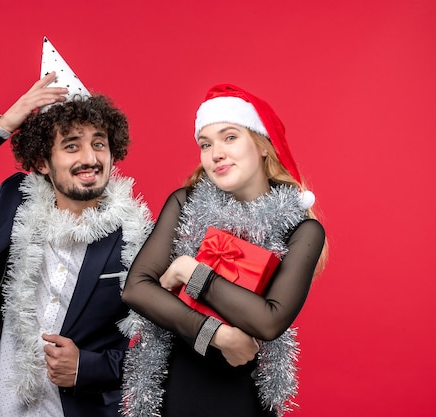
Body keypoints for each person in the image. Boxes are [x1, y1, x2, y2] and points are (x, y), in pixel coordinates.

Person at [0, 62, 152, 416]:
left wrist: (87, 367)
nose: (90, 158)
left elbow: (162, 352)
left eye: (99, 144)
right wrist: (5, 123)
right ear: (42, 162)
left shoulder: (139, 237)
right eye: (72, 146)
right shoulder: (12, 208)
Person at [120, 84, 327, 417]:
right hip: (173, 393)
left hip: (244, 398)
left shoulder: (301, 230)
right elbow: (137, 289)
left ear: (261, 145)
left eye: (229, 137)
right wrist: (215, 334)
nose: (215, 153)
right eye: (206, 144)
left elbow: (268, 320)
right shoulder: (185, 203)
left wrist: (190, 271)